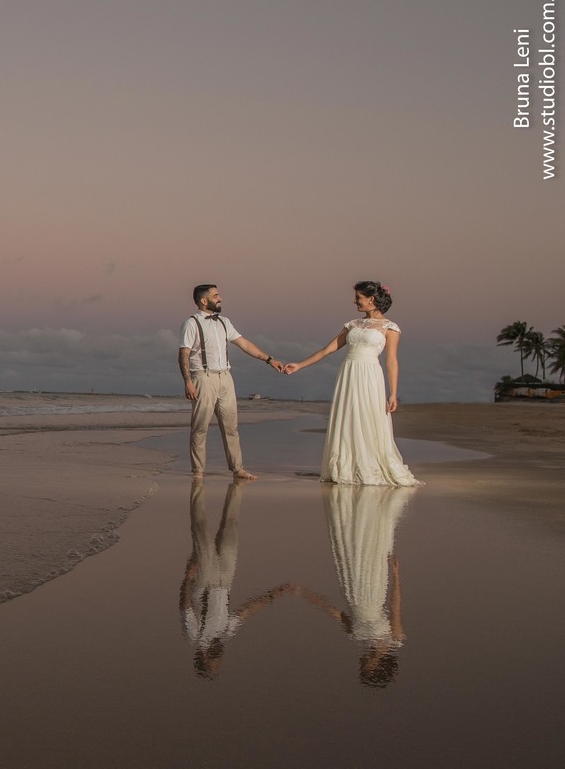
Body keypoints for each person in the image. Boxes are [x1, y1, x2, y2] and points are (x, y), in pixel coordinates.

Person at [283, 281, 420, 486]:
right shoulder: (352, 325)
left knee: (367, 417)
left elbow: (392, 361)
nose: (354, 301)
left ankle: (368, 465)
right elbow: (327, 350)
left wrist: (393, 393)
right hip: (348, 373)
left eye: (358, 297)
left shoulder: (390, 328)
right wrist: (299, 365)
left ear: (371, 299)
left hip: (370, 375)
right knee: (348, 416)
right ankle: (345, 466)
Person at [292, 484, 414, 687]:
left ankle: (355, 506)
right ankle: (373, 505)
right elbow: (395, 608)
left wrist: (303, 592)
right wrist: (396, 576)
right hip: (375, 589)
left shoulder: (356, 636)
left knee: (351, 546)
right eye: (365, 668)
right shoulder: (395, 639)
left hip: (352, 586)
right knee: (369, 549)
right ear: (377, 667)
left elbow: (331, 611)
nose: (361, 664)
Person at [178, 478, 290, 679]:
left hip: (205, 581)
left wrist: (188, 575)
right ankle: (236, 490)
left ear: (202, 658)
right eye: (218, 664)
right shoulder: (224, 633)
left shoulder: (195, 636)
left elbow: (185, 606)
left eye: (214, 664)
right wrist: (272, 595)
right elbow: (246, 611)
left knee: (202, 527)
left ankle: (198, 488)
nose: (219, 661)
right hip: (226, 580)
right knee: (231, 527)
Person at [179, 284, 283, 480]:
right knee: (200, 427)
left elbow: (244, 344)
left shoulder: (225, 322)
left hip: (226, 377)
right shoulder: (191, 323)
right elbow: (183, 353)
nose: (221, 299)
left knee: (231, 427)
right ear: (204, 301)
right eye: (216, 295)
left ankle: (238, 469)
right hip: (203, 377)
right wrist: (188, 382)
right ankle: (198, 471)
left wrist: (269, 360)